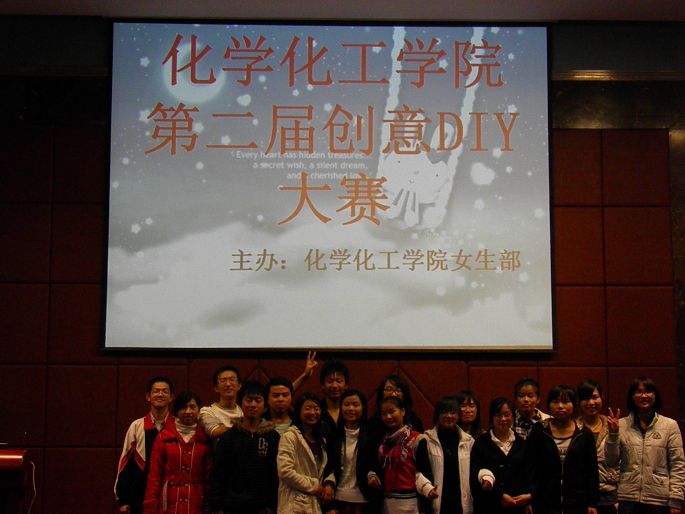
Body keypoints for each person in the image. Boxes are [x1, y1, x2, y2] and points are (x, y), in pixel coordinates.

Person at [605, 376, 685, 514]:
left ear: (655, 396)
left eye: (648, 391)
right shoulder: (621, 425)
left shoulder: (670, 425)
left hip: (659, 500)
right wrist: (613, 434)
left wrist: (676, 500)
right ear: (632, 396)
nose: (644, 396)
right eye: (639, 392)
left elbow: (678, 464)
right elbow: (611, 462)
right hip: (628, 499)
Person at [209, 381, 280, 514]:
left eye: (258, 400)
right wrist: (217, 507)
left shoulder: (273, 437)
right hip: (232, 507)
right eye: (248, 400)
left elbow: (275, 475)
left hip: (263, 508)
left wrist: (272, 506)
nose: (253, 405)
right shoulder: (228, 437)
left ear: (265, 406)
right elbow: (218, 474)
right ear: (240, 403)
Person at [526, 384, 598, 514]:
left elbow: (591, 471)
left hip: (577, 503)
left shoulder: (584, 434)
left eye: (565, 402)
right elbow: (530, 467)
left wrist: (592, 503)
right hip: (544, 504)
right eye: (555, 402)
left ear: (574, 405)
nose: (560, 406)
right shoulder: (539, 431)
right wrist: (530, 499)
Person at [143, 391, 212, 514]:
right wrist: (150, 508)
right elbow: (154, 476)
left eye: (192, 407)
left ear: (198, 410)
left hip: (196, 503)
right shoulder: (163, 437)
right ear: (176, 411)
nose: (188, 411)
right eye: (183, 407)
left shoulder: (204, 439)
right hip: (169, 504)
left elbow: (208, 477)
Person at [115, 376, 175, 514]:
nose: (160, 394)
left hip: (172, 498)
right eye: (156, 391)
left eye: (164, 391)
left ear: (171, 397)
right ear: (148, 396)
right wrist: (123, 499)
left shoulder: (178, 426)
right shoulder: (137, 426)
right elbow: (125, 463)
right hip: (140, 499)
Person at [368, 397, 435, 514]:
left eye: (391, 411)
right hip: (386, 502)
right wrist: (372, 476)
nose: (388, 417)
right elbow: (376, 468)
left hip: (410, 502)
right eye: (384, 413)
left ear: (403, 411)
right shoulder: (382, 441)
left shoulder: (417, 439)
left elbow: (424, 472)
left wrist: (428, 492)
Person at [470, 397, 532, 514]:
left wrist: (528, 497)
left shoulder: (522, 444)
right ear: (492, 418)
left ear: (513, 417)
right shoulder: (481, 443)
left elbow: (529, 475)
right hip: (488, 507)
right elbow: (474, 478)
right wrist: (499, 496)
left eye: (507, 415)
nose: (503, 419)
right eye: (498, 415)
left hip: (517, 507)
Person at [277, 392, 335, 514]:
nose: (313, 412)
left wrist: (328, 484)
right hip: (293, 503)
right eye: (308, 408)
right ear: (299, 411)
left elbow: (326, 468)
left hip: (314, 504)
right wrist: (314, 486)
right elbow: (285, 472)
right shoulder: (290, 436)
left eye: (316, 408)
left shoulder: (322, 438)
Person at [325, 389, 373, 514]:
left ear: (363, 408)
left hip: (364, 499)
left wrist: (372, 475)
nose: (351, 408)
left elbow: (374, 464)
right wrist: (329, 483)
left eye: (355, 405)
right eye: (347, 404)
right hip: (338, 498)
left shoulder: (371, 435)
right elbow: (329, 466)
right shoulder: (334, 436)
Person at [424, 396, 474, 514]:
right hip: (436, 501)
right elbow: (419, 470)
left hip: (461, 504)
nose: (449, 416)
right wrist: (427, 488)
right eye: (444, 412)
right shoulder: (426, 439)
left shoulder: (469, 441)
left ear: (458, 416)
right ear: (438, 415)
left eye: (453, 412)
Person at [576, 380, 619, 514]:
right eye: (585, 398)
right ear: (578, 402)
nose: (591, 403)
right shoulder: (573, 428)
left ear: (602, 398)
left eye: (595, 397)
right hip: (581, 494)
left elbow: (624, 462)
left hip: (610, 494)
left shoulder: (613, 425)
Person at [200, 365, 243, 439]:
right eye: (223, 381)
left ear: (239, 385)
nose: (228, 384)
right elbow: (214, 431)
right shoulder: (207, 411)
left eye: (232, 380)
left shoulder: (244, 412)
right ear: (216, 388)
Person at [319, 360, 350, 436]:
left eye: (339, 381)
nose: (334, 386)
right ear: (322, 385)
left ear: (346, 385)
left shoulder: (351, 411)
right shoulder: (317, 411)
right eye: (330, 381)